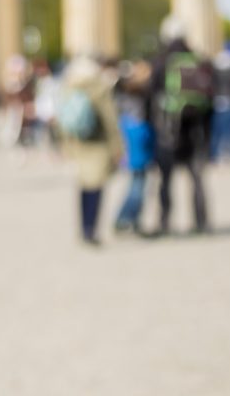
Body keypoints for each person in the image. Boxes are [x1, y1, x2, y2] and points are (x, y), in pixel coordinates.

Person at [148, 23, 213, 236]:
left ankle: (165, 222)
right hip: (196, 129)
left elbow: (151, 95)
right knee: (197, 178)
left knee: (166, 179)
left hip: (170, 128)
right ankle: (201, 222)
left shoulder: (162, 62)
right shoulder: (199, 61)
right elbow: (210, 98)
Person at [59, 54, 119, 245]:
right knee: (96, 186)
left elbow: (62, 119)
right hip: (98, 144)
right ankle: (91, 229)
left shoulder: (68, 87)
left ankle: (83, 227)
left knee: (84, 185)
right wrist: (117, 145)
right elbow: (110, 120)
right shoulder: (99, 87)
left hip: (78, 143)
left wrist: (65, 145)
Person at [111, 80, 156, 237]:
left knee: (137, 187)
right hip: (138, 157)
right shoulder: (137, 118)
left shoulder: (123, 112)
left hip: (134, 155)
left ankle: (130, 219)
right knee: (137, 188)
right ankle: (126, 219)